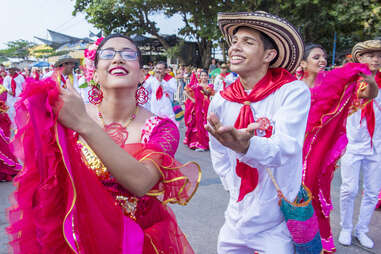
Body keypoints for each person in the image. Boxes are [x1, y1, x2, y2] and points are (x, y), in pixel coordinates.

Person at [7, 33, 200, 254]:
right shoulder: (68, 113)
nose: (118, 59)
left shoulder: (161, 128)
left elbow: (141, 183)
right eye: (108, 54)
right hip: (75, 239)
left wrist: (85, 125)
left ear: (141, 75)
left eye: (128, 54)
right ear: (95, 74)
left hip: (135, 241)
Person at [207, 12, 309, 253]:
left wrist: (247, 147)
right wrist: (231, 186)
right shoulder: (221, 99)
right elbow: (218, 152)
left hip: (276, 223)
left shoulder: (292, 92)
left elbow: (286, 148)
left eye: (247, 42)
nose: (235, 48)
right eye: (234, 42)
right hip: (235, 217)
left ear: (269, 55)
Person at [300, 43, 378, 253]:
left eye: (324, 57)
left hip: (320, 152)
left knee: (313, 192)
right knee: (290, 195)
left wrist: (369, 78)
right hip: (294, 151)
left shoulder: (335, 82)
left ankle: (320, 241)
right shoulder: (293, 87)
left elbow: (368, 96)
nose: (322, 61)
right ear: (303, 62)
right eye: (316, 57)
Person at [338, 40, 381, 249]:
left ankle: (361, 229)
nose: (375, 59)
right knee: (349, 189)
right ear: (360, 58)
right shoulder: (349, 82)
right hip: (352, 145)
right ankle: (346, 227)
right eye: (370, 55)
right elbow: (367, 94)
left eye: (379, 56)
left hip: (377, 146)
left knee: (372, 191)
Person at [184, 70, 214, 151]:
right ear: (199, 77)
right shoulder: (195, 85)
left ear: (208, 77)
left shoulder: (210, 85)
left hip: (205, 107)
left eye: (205, 76)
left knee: (205, 124)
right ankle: (196, 143)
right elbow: (186, 92)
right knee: (196, 124)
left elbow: (208, 92)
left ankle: (204, 143)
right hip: (196, 107)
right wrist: (192, 99)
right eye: (202, 76)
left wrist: (201, 89)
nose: (204, 77)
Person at [0, 84, 21, 181]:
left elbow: (2, 104)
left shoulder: (2, 89)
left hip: (1, 120)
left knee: (3, 145)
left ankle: (6, 170)